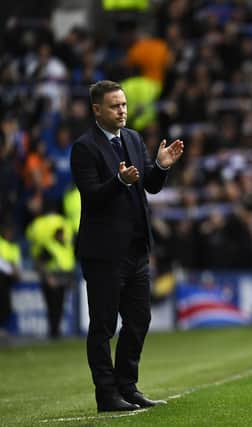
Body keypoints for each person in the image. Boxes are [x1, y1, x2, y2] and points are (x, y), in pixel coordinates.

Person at [70, 80, 184, 412]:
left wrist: (161, 166)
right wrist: (119, 181)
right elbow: (91, 195)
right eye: (115, 106)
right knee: (103, 325)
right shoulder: (84, 148)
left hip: (136, 249)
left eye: (124, 105)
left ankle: (127, 386)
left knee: (139, 319)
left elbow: (149, 184)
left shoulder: (133, 138)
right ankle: (106, 394)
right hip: (104, 252)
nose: (122, 111)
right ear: (97, 110)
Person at [26, 209, 75, 339]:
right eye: (60, 234)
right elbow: (39, 263)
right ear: (56, 235)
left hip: (62, 281)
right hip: (52, 281)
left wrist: (70, 280)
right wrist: (48, 278)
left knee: (59, 308)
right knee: (53, 307)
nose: (62, 236)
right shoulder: (49, 247)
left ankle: (56, 332)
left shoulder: (66, 247)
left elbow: (68, 265)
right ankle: (54, 332)